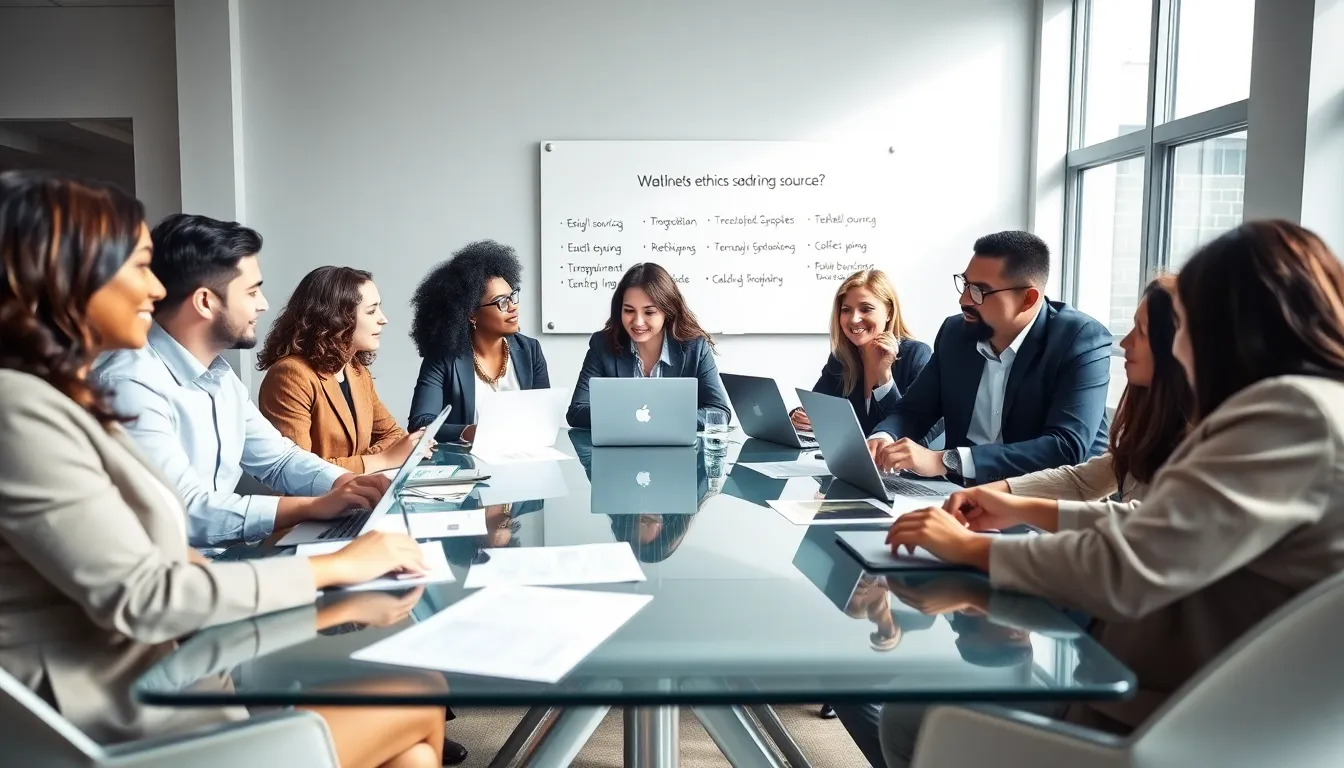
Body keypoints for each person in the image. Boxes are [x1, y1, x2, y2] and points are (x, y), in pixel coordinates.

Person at [0, 170, 446, 767]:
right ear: (69, 276)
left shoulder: (64, 394)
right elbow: (150, 586)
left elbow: (262, 470)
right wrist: (338, 565)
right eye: (137, 267)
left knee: (413, 748)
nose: (154, 292)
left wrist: (340, 487)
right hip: (113, 715)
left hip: (167, 668)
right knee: (420, 692)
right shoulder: (24, 407)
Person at [882, 220, 1344, 768]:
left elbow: (1128, 565)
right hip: (1176, 690)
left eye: (1185, 325)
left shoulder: (1288, 415)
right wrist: (1014, 505)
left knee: (913, 715)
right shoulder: (1305, 407)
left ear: (1230, 328)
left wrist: (969, 549)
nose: (1173, 344)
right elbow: (1152, 527)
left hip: (1168, 713)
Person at [93, 214, 388, 549]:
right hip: (172, 576)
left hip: (221, 559)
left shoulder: (220, 377)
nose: (263, 305)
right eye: (251, 292)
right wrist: (311, 507)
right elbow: (184, 511)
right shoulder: (128, 383)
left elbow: (278, 459)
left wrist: (345, 483)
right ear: (205, 301)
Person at [865, 231, 1112, 484]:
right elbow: (914, 410)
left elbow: (1065, 447)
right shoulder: (955, 334)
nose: (963, 300)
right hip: (961, 496)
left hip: (1048, 504)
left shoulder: (1080, 339)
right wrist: (883, 437)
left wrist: (944, 460)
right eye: (965, 284)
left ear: (1028, 299)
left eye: (979, 291)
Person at [954, 275, 1192, 513]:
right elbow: (1081, 482)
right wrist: (986, 494)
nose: (1125, 342)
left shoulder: (1209, 440)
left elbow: (1141, 523)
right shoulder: (1154, 427)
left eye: (1142, 331)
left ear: (1180, 345)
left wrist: (1006, 516)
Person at [257, 266, 427, 473]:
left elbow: (394, 436)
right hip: (316, 503)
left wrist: (373, 459)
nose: (383, 319)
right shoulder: (290, 375)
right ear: (337, 318)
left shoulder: (356, 370)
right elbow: (296, 472)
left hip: (357, 495)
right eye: (371, 311)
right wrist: (382, 460)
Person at [407, 240, 550, 443]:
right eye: (501, 301)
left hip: (521, 457)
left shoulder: (530, 350)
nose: (513, 307)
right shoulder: (444, 357)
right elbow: (420, 423)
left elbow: (543, 414)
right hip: (466, 463)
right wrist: (470, 431)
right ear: (471, 314)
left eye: (512, 297)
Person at [566, 262, 730, 429]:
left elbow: (719, 413)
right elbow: (577, 412)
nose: (637, 322)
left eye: (649, 312)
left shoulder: (695, 347)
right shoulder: (602, 345)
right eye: (629, 310)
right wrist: (635, 418)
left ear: (668, 311)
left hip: (677, 452)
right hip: (620, 451)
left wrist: (657, 419)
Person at [790, 269, 932, 435]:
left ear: (889, 313)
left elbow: (919, 435)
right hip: (849, 459)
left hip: (895, 461)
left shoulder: (917, 355)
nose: (854, 319)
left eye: (866, 309)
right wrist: (799, 416)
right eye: (846, 310)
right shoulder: (841, 358)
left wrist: (884, 377)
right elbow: (816, 408)